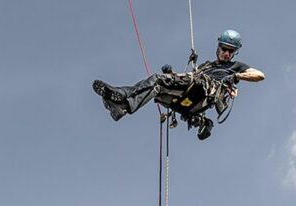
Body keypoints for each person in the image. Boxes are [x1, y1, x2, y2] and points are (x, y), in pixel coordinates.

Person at [93, 29, 265, 138]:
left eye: (231, 51)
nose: (227, 54)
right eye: (224, 49)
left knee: (157, 79)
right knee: (158, 85)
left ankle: (122, 96)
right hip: (188, 94)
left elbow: (259, 75)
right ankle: (121, 107)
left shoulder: (235, 66)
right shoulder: (206, 66)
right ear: (218, 47)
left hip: (202, 94)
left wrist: (237, 77)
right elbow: (189, 77)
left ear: (235, 53)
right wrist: (173, 75)